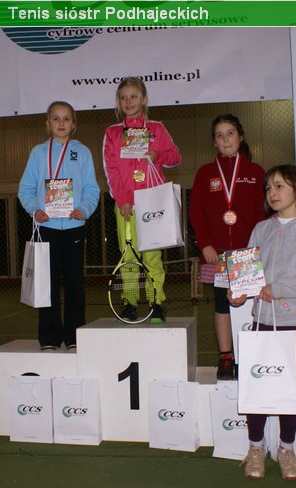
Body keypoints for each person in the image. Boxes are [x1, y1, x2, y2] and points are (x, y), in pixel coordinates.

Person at [229, 164, 296, 481]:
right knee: (257, 386)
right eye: (268, 188)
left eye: (279, 186)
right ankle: (256, 448)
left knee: (289, 388)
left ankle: (286, 449)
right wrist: (239, 292)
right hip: (262, 320)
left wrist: (280, 288)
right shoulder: (261, 229)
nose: (272, 193)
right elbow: (249, 275)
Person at [18, 101, 100, 351]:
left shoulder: (83, 152)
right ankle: (50, 337)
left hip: (74, 225)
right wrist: (35, 210)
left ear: (73, 124)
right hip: (46, 226)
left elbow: (92, 189)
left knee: (75, 283)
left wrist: (84, 209)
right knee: (47, 284)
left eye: (66, 118)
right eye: (56, 118)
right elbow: (25, 189)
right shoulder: (38, 153)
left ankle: (74, 336)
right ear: (48, 123)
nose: (61, 123)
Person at [189, 114, 266, 380]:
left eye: (230, 133)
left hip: (248, 254)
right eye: (219, 135)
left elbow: (263, 212)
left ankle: (249, 356)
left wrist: (256, 248)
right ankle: (226, 356)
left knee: (250, 305)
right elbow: (196, 212)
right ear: (214, 142)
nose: (225, 139)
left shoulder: (255, 172)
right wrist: (205, 244)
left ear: (240, 137)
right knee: (222, 303)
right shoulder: (205, 173)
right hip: (217, 253)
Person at [103, 76, 181, 323]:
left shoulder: (157, 129)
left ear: (144, 99)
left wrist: (158, 155)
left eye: (134, 96)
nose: (129, 101)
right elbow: (110, 169)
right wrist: (122, 199)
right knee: (128, 256)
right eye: (123, 97)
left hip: (152, 203)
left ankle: (156, 302)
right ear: (118, 102)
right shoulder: (113, 133)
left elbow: (176, 157)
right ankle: (129, 303)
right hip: (126, 205)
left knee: (152, 257)